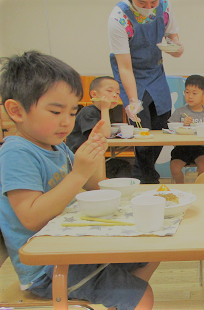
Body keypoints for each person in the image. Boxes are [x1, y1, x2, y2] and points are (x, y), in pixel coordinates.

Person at [0, 51, 159, 309]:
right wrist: (78, 173)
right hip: (46, 268)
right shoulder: (17, 152)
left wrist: (95, 152)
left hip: (70, 246)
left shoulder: (57, 147)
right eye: (55, 111)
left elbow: (94, 186)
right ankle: (123, 297)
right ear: (16, 111)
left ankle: (116, 296)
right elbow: (30, 217)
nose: (66, 122)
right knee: (142, 296)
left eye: (73, 112)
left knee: (150, 252)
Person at [108, 0, 184, 184]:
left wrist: (176, 48)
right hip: (131, 74)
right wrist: (133, 100)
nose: (149, 7)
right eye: (143, 2)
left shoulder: (164, 6)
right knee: (142, 130)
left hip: (155, 72)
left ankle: (142, 175)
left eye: (153, 2)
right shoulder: (119, 18)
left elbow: (173, 37)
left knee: (161, 123)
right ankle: (147, 177)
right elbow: (125, 67)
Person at [66, 76, 132, 178]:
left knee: (123, 165)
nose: (115, 95)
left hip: (92, 158)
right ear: (94, 94)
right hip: (79, 162)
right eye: (109, 91)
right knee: (122, 167)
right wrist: (105, 108)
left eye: (117, 93)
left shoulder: (100, 111)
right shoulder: (88, 112)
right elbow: (105, 134)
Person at [167, 75, 204, 183]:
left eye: (194, 93)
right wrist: (182, 124)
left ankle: (198, 187)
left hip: (201, 148)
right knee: (174, 168)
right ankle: (181, 187)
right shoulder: (180, 111)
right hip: (182, 148)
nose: (190, 96)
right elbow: (170, 127)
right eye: (187, 92)